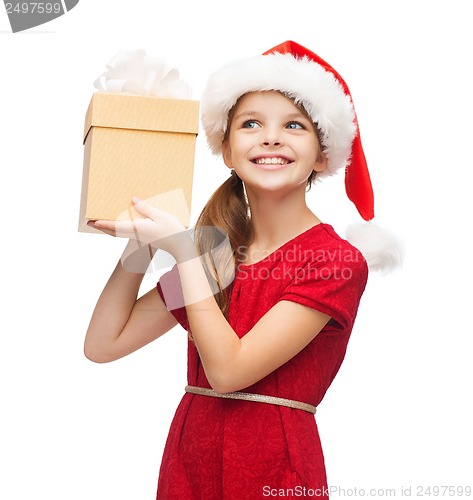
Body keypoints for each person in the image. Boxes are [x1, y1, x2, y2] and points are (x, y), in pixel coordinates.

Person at [84, 41, 402, 499]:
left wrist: (184, 252)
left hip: (274, 470)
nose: (271, 138)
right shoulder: (216, 254)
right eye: (251, 124)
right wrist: (141, 244)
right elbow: (103, 344)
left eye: (294, 125)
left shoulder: (334, 261)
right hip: (188, 465)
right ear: (228, 151)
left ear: (322, 155)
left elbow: (229, 372)